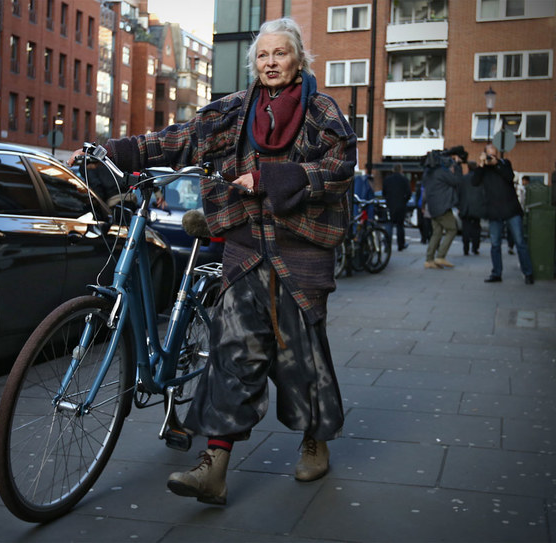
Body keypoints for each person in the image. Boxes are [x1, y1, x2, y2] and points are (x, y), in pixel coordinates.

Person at [69, 17, 356, 505]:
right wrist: (111, 150)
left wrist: (269, 178)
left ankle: (315, 440)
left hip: (299, 251)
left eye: (279, 54)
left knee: (300, 357)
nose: (270, 63)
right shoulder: (234, 111)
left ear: (297, 59)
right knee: (232, 352)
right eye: (262, 55)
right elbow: (178, 138)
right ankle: (213, 465)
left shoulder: (322, 110)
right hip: (245, 249)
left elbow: (338, 167)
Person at [472, 143, 534, 284]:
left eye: (494, 154)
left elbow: (509, 176)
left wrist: (496, 163)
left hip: (511, 210)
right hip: (494, 212)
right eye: (489, 155)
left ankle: (528, 273)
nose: (491, 157)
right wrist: (481, 164)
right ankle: (496, 273)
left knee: (520, 242)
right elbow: (474, 181)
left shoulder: (505, 164)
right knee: (495, 244)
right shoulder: (483, 169)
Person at [421, 146, 465, 269]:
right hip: (443, 207)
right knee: (452, 230)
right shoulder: (441, 172)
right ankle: (440, 256)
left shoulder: (429, 172)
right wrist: (457, 165)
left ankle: (429, 260)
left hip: (433, 207)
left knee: (437, 232)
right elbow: (457, 181)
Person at [382, 164, 412, 251]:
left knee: (389, 225)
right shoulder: (404, 179)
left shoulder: (387, 180)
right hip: (401, 205)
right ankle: (401, 244)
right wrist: (404, 201)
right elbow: (409, 193)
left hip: (390, 205)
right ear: (401, 170)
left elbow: (384, 193)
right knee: (400, 226)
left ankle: (388, 245)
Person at [457, 161, 485, 255]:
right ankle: (475, 248)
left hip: (466, 207)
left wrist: (459, 206)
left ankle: (466, 248)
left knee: (466, 229)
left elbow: (459, 193)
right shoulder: (480, 179)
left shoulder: (463, 179)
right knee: (476, 229)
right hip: (477, 207)